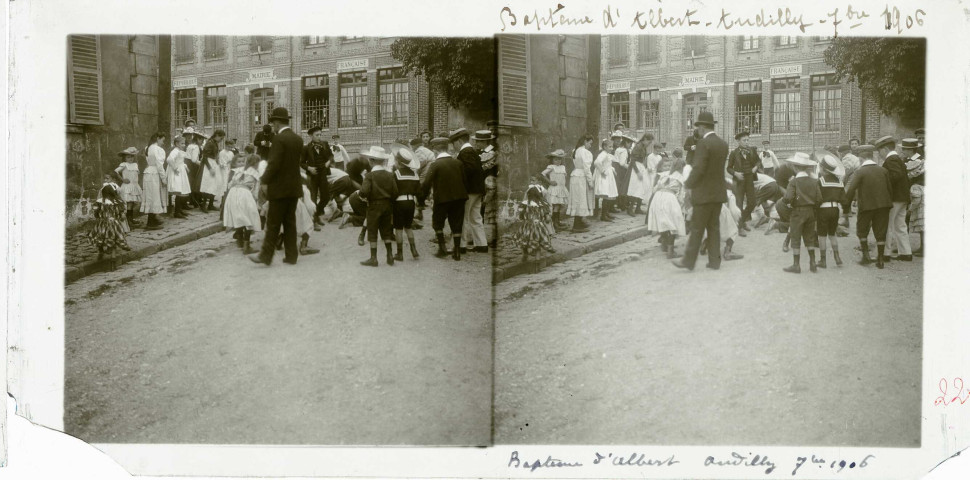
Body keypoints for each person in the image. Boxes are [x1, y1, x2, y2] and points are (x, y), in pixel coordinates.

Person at [672, 111, 728, 271]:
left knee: (697, 228)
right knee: (714, 228)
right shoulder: (723, 144)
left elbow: (699, 168)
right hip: (718, 193)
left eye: (698, 127)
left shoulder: (703, 144)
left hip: (703, 194)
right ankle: (714, 261)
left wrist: (688, 184)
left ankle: (688, 261)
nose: (697, 130)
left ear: (703, 127)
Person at [249, 107, 304, 266]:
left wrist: (264, 180)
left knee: (273, 223)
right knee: (290, 222)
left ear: (278, 122)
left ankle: (265, 256)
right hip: (294, 188)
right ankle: (291, 256)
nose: (272, 126)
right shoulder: (297, 139)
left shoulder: (279, 139)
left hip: (279, 189)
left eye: (273, 123)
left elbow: (274, 164)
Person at [843, 144, 894, 268]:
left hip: (866, 206)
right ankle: (880, 259)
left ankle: (866, 257)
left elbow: (850, 191)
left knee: (862, 230)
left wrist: (846, 207)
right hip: (883, 206)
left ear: (861, 159)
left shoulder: (860, 172)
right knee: (881, 232)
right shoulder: (883, 170)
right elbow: (890, 189)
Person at [421, 135, 468, 260]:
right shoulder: (458, 163)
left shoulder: (435, 165)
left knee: (437, 223)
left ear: (435, 150)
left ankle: (442, 249)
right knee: (456, 224)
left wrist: (421, 199)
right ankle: (456, 251)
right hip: (459, 198)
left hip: (442, 199)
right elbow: (465, 180)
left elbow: (426, 184)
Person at [780, 153, 822, 273]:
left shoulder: (794, 181)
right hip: (810, 212)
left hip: (798, 212)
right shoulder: (814, 180)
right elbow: (819, 199)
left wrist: (788, 202)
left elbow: (787, 197)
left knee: (796, 237)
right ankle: (813, 263)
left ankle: (796, 265)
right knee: (809, 237)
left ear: (795, 167)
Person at [452, 128, 490, 253]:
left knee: (463, 217)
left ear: (458, 141)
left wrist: (459, 180)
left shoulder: (465, 152)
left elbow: (470, 170)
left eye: (454, 143)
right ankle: (481, 244)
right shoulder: (472, 151)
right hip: (478, 190)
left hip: (469, 190)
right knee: (476, 217)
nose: (453, 146)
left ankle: (461, 246)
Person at [875, 135, 912, 261]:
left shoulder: (891, 160)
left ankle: (886, 253)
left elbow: (895, 176)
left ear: (884, 149)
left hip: (894, 198)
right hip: (902, 198)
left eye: (879, 151)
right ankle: (906, 253)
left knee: (888, 225)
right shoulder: (898, 159)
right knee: (900, 225)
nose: (879, 154)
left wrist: (884, 184)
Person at [647, 158, 687, 259]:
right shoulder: (680, 177)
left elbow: (654, 189)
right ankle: (671, 251)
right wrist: (681, 206)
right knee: (673, 223)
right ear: (682, 168)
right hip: (669, 198)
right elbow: (681, 196)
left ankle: (665, 244)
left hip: (657, 197)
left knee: (663, 222)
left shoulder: (664, 174)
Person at [87, 173, 132, 261]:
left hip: (102, 223)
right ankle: (113, 261)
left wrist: (98, 215)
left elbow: (96, 212)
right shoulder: (116, 203)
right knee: (113, 239)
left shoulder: (100, 202)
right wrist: (121, 214)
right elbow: (121, 214)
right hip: (113, 224)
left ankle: (100, 253)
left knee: (100, 237)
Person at [511, 175, 556, 262]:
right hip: (536, 225)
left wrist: (548, 214)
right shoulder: (538, 203)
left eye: (533, 180)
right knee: (536, 241)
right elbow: (546, 216)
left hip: (531, 225)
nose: (531, 182)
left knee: (528, 240)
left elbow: (548, 204)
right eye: (531, 180)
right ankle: (534, 260)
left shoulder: (540, 195)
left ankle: (527, 255)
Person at [223, 153, 262, 254]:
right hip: (244, 194)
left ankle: (239, 241)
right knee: (249, 217)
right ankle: (246, 245)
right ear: (256, 163)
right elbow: (256, 190)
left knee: (239, 217)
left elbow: (229, 184)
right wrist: (255, 200)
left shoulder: (238, 170)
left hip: (233, 193)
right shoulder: (255, 173)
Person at [816, 154, 847, 268]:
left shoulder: (820, 181)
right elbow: (844, 199)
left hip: (823, 210)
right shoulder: (839, 182)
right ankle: (837, 257)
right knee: (832, 234)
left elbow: (818, 198)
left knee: (822, 235)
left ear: (823, 169)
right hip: (835, 210)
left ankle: (823, 260)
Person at [301, 125, 334, 227]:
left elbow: (331, 156)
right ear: (311, 136)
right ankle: (314, 220)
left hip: (323, 173)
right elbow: (301, 162)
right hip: (313, 175)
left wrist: (328, 162)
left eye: (320, 134)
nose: (319, 137)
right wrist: (309, 168)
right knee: (313, 198)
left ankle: (318, 213)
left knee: (326, 196)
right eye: (317, 135)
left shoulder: (325, 144)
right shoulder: (306, 148)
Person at [726, 129, 758, 233]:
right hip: (739, 180)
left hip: (749, 179)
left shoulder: (752, 150)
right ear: (738, 141)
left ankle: (742, 220)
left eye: (748, 140)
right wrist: (735, 173)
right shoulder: (734, 153)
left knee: (752, 202)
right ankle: (739, 227)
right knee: (739, 204)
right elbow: (729, 168)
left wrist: (755, 168)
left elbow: (758, 161)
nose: (747, 142)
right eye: (744, 140)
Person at [392, 148, 421, 260]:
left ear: (398, 162)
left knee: (398, 228)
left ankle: (400, 253)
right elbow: (419, 191)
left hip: (399, 202)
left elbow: (393, 191)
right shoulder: (415, 174)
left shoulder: (396, 174)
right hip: (411, 202)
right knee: (408, 227)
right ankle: (414, 249)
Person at [567, 135, 594, 233]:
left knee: (577, 199)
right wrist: (590, 182)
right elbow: (587, 168)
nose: (590, 146)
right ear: (585, 142)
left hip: (575, 176)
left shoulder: (575, 150)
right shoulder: (586, 152)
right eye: (590, 143)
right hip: (581, 176)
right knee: (581, 199)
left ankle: (579, 222)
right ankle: (577, 226)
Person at [140, 132, 168, 230]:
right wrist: (164, 178)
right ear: (157, 138)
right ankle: (150, 223)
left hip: (148, 173)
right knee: (154, 196)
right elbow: (160, 165)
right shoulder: (158, 149)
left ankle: (153, 219)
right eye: (162, 140)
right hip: (154, 173)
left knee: (151, 196)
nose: (163, 143)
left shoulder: (148, 147)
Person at [540, 149, 569, 231]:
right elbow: (542, 174)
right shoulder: (551, 167)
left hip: (561, 188)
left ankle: (557, 221)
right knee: (556, 206)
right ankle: (554, 223)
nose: (558, 161)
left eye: (559, 159)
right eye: (556, 159)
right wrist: (550, 182)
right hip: (555, 189)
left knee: (559, 206)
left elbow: (563, 177)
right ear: (552, 160)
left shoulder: (563, 167)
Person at [114, 147, 143, 227]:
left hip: (134, 186)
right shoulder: (124, 165)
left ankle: (131, 219)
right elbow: (116, 171)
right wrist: (123, 180)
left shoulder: (135, 165)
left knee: (133, 203)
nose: (130, 159)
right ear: (124, 158)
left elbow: (136, 175)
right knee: (129, 204)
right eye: (128, 157)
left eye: (132, 156)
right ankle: (128, 221)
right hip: (127, 187)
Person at [294, 172, 322, 256]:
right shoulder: (304, 188)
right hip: (296, 204)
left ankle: (279, 241)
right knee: (308, 225)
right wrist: (312, 216)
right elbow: (310, 206)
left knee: (285, 226)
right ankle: (304, 246)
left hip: (283, 204)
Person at [199, 129, 226, 211]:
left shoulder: (215, 143)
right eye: (221, 138)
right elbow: (204, 157)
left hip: (214, 163)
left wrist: (218, 162)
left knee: (215, 184)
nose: (221, 140)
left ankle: (211, 204)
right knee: (208, 185)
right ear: (217, 135)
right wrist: (210, 168)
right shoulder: (209, 143)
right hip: (208, 165)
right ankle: (203, 206)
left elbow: (215, 155)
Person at [166, 136, 192, 219]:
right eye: (182, 143)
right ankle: (176, 212)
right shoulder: (175, 151)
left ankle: (179, 210)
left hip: (181, 171)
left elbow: (180, 161)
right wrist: (175, 168)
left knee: (181, 191)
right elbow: (169, 159)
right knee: (179, 190)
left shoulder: (179, 151)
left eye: (184, 143)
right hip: (177, 172)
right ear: (176, 144)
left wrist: (185, 166)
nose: (184, 145)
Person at [592, 138, 618, 222]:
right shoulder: (603, 154)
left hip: (608, 175)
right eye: (609, 147)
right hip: (604, 176)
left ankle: (605, 213)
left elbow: (608, 163)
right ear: (604, 147)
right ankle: (603, 215)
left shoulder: (607, 154)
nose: (611, 148)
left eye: (612, 147)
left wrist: (612, 169)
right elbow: (596, 162)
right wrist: (602, 170)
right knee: (606, 194)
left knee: (608, 194)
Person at [411, 137, 436, 221]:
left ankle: (420, 211)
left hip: (428, 168)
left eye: (412, 146)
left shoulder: (418, 151)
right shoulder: (424, 149)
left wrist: (416, 170)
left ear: (415, 146)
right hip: (432, 166)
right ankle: (420, 210)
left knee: (420, 188)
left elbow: (422, 161)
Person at [907, 156, 925, 257]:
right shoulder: (924, 185)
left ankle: (923, 249)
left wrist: (910, 209)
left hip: (921, 210)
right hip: (925, 208)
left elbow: (917, 199)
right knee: (924, 231)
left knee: (923, 230)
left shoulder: (915, 187)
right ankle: (922, 247)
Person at [182, 127, 204, 208]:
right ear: (197, 139)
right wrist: (202, 164)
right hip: (192, 166)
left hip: (187, 164)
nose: (202, 141)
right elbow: (194, 160)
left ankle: (189, 201)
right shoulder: (195, 147)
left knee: (188, 183)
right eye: (201, 139)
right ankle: (193, 201)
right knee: (192, 184)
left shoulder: (190, 145)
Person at [627, 146, 651, 216]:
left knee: (643, 187)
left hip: (641, 167)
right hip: (636, 170)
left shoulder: (644, 148)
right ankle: (630, 209)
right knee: (636, 189)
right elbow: (633, 162)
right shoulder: (637, 150)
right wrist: (637, 172)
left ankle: (638, 208)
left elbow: (644, 161)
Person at [612, 132, 632, 211]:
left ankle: (617, 204)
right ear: (626, 143)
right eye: (630, 143)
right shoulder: (624, 151)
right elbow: (622, 163)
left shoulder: (618, 149)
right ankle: (621, 205)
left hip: (616, 167)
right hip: (620, 169)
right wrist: (629, 168)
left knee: (617, 187)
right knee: (622, 187)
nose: (630, 145)